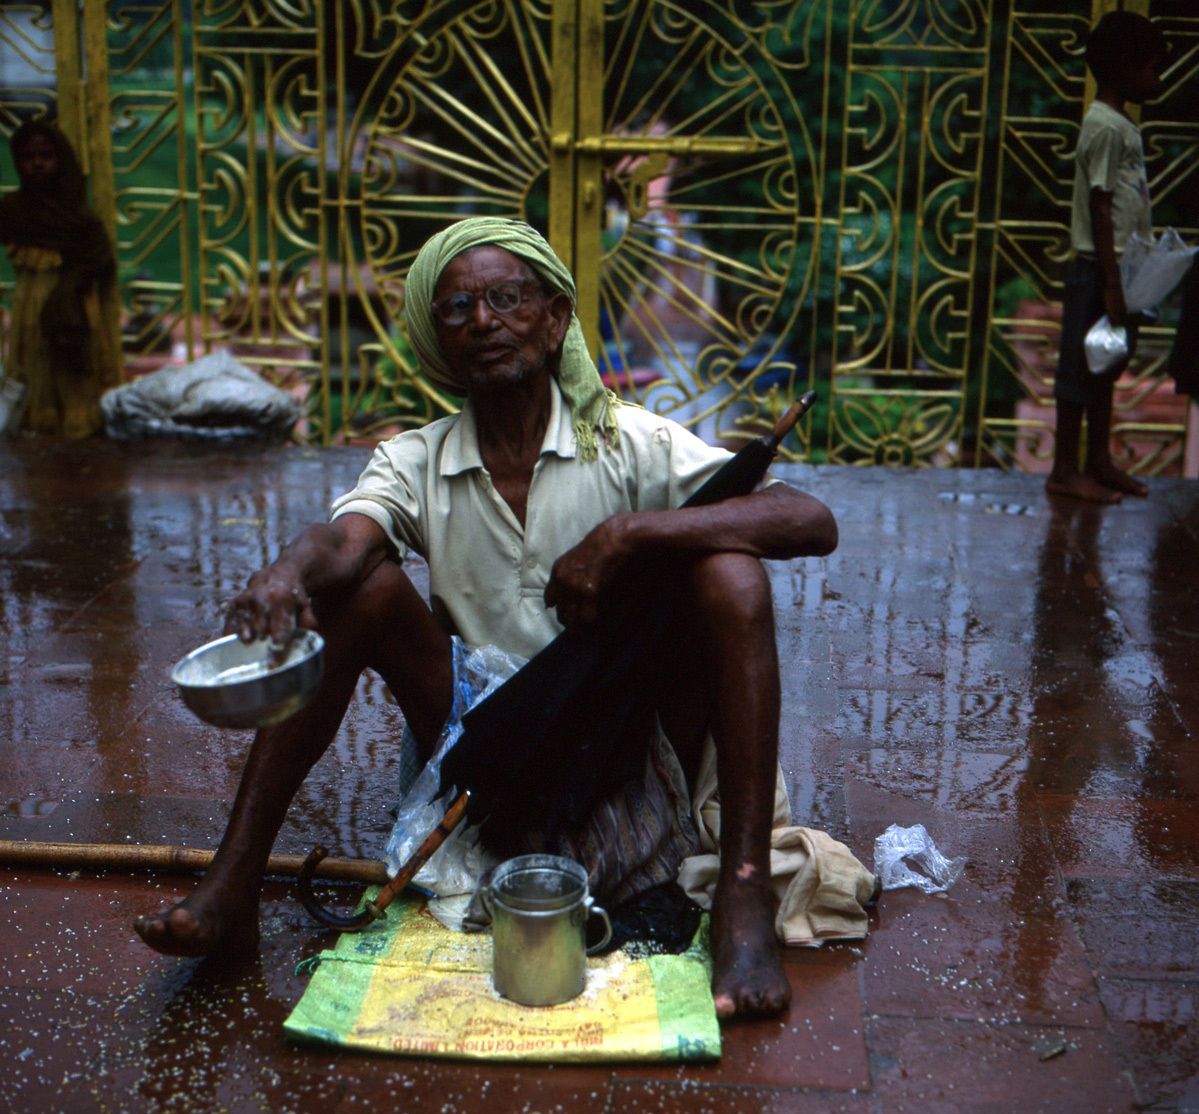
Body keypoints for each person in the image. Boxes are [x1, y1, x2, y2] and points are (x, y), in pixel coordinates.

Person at [134, 216, 843, 1020]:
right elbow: (346, 538)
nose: (483, 321)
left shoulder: (627, 443)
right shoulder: (417, 458)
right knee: (360, 589)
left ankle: (742, 901)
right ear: (437, 339)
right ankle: (232, 886)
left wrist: (629, 533)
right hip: (488, 749)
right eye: (457, 308)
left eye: (507, 298)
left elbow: (807, 518)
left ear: (553, 320)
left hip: (627, 739)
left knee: (731, 573)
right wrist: (287, 573)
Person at [1048, 13, 1169, 503]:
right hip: (1098, 271)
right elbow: (1100, 206)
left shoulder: (1121, 126)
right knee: (1079, 372)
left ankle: (1098, 461)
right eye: (1152, 70)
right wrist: (1112, 283)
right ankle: (1063, 469)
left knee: (1106, 366)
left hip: (1119, 269)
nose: (1157, 82)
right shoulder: (1104, 128)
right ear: (1125, 70)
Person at [0, 118, 121, 437]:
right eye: (29, 157)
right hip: (28, 303)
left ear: (61, 159)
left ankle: (78, 423)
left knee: (69, 368)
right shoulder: (13, 209)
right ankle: (36, 421)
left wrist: (68, 290)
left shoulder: (76, 213)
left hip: (72, 303)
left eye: (46, 156)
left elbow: (99, 255)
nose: (37, 164)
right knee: (34, 362)